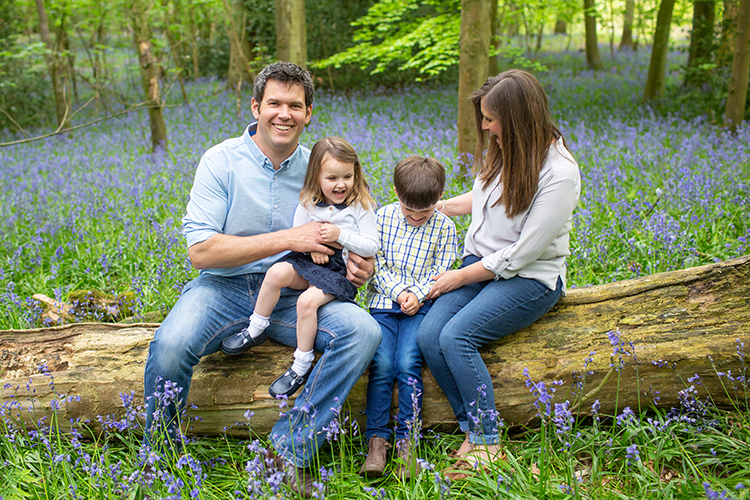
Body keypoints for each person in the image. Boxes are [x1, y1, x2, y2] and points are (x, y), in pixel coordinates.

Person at [142, 62, 381, 498]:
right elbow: (201, 252)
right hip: (223, 289)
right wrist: (290, 238)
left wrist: (361, 269)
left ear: (309, 113)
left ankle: (284, 455)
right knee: (171, 345)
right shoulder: (221, 161)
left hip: (299, 291)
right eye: (274, 103)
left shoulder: (322, 167)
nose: (283, 114)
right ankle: (159, 460)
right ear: (256, 106)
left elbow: (357, 233)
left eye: (295, 105)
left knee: (363, 332)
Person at [416, 69, 581, 478]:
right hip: (481, 266)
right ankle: (471, 427)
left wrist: (459, 276)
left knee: (457, 337)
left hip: (529, 279)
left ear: (518, 117)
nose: (486, 126)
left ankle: (488, 444)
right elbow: (488, 194)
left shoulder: (559, 173)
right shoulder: (508, 148)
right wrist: (439, 207)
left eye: (491, 118)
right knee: (428, 335)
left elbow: (525, 253)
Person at [221, 136, 379, 399]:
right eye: (332, 178)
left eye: (347, 177)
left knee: (306, 303)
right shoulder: (308, 202)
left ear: (355, 174)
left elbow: (371, 246)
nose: (341, 185)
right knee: (276, 272)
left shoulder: (361, 206)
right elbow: (298, 235)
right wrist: (313, 247)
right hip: (309, 262)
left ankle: (301, 365)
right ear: (316, 177)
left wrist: (340, 235)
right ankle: (256, 328)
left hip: (339, 271)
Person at [360, 156, 458, 480]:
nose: (416, 218)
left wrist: (418, 294)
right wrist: (400, 292)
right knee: (383, 364)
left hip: (422, 306)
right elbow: (377, 264)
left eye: (425, 213)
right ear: (396, 194)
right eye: (409, 211)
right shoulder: (382, 218)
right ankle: (377, 441)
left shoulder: (445, 226)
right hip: (383, 304)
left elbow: (440, 272)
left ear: (438, 199)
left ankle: (407, 442)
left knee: (407, 364)